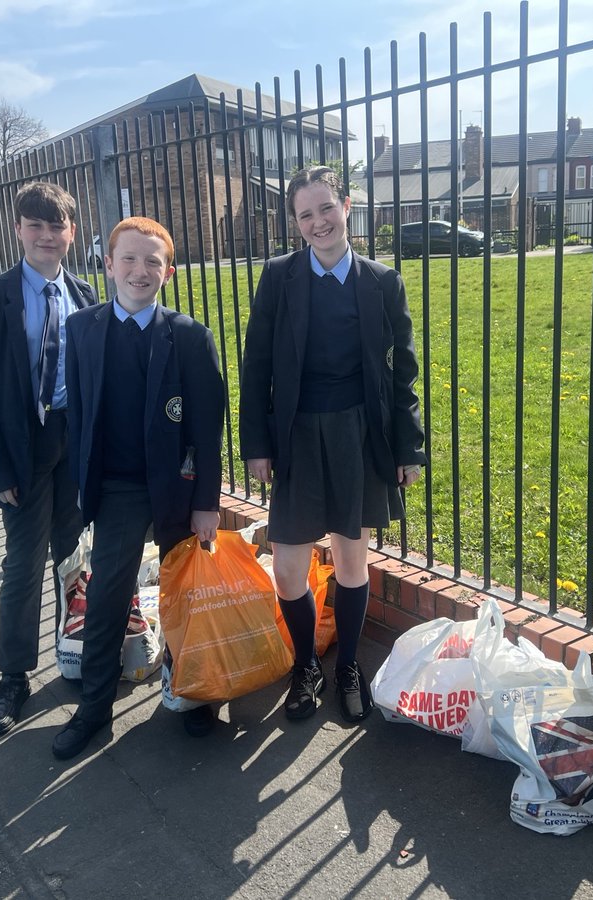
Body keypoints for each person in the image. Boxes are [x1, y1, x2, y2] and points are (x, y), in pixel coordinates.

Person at [239, 165, 425, 724]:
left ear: (347, 207)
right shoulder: (279, 277)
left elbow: (402, 374)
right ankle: (305, 666)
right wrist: (257, 444)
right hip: (296, 434)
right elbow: (258, 368)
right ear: (295, 223)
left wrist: (407, 446)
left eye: (326, 208)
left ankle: (346, 665)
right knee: (289, 569)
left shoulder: (381, 281)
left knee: (351, 560)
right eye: (305, 214)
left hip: (358, 434)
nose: (318, 222)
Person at [53, 216, 225, 760]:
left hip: (177, 486)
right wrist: (82, 494)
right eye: (128, 258)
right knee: (106, 599)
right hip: (118, 488)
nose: (140, 270)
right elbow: (78, 417)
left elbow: (207, 428)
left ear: (169, 272)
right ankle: (94, 709)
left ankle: (194, 697)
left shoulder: (191, 337)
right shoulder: (82, 330)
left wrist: (205, 505)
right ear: (107, 264)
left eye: (153, 261)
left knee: (185, 595)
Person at [0, 181, 98, 737]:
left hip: (74, 445)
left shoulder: (84, 295)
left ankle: (75, 649)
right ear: (18, 230)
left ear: (71, 233)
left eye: (56, 226)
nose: (46, 235)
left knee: (73, 557)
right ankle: (12, 678)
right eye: (34, 225)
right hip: (24, 447)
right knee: (24, 561)